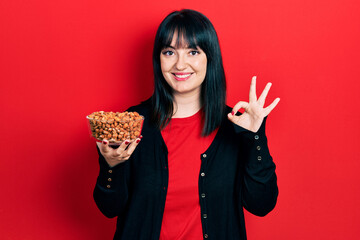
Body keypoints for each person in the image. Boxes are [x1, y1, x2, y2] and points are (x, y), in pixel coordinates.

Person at [93, 9, 280, 240]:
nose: (180, 64)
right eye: (169, 52)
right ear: (158, 59)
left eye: (193, 52)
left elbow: (261, 205)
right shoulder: (132, 122)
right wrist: (112, 165)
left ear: (209, 58)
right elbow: (109, 207)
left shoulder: (236, 124)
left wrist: (255, 138)